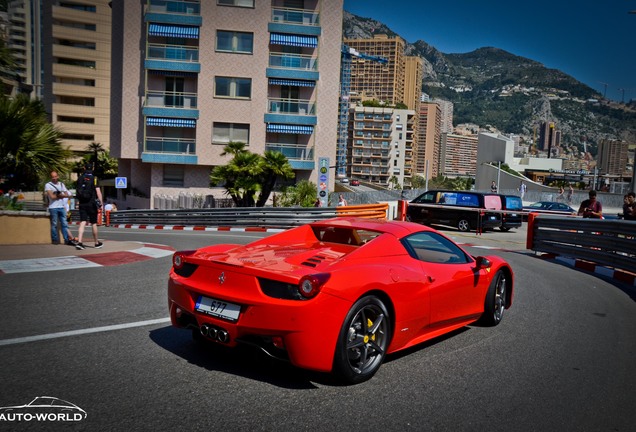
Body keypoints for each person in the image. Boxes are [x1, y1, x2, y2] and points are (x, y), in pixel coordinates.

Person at [75, 164, 104, 250]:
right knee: (94, 223)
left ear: (84, 168)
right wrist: (101, 203)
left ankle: (79, 242)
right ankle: (96, 243)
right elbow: (98, 192)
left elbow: (78, 191)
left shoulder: (80, 178)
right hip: (92, 204)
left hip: (82, 203)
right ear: (93, 168)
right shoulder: (94, 179)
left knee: (83, 222)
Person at [44, 171, 75, 245]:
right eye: (53, 177)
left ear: (58, 176)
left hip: (61, 207)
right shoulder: (48, 185)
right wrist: (60, 195)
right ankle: (55, 240)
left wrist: (59, 195)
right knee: (54, 224)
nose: (54, 178)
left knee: (65, 224)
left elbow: (67, 194)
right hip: (53, 207)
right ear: (51, 177)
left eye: (55, 176)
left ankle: (67, 240)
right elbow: (52, 196)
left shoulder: (61, 184)